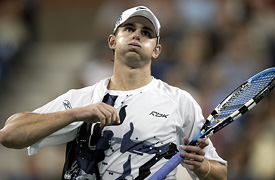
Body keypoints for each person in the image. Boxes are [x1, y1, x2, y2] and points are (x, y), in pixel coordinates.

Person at [0, 6, 227, 180]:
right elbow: (9, 134)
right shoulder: (82, 100)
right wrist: (76, 114)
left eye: (146, 32)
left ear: (157, 50)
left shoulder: (180, 101)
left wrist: (203, 166)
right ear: (112, 41)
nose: (137, 35)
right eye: (129, 29)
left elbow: (220, 173)